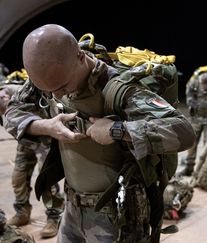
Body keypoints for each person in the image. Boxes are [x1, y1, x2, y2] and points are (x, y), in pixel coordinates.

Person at [4, 24, 195, 242]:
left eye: (63, 87)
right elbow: (13, 110)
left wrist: (117, 130)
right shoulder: (52, 77)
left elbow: (183, 131)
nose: (56, 95)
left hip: (116, 216)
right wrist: (45, 126)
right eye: (49, 90)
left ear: (79, 57)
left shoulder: (119, 90)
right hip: (72, 208)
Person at [0, 83, 64, 238]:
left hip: (44, 137)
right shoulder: (2, 99)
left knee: (46, 180)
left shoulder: (20, 91)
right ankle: (22, 212)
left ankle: (54, 217)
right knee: (18, 177)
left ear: (4, 97)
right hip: (25, 141)